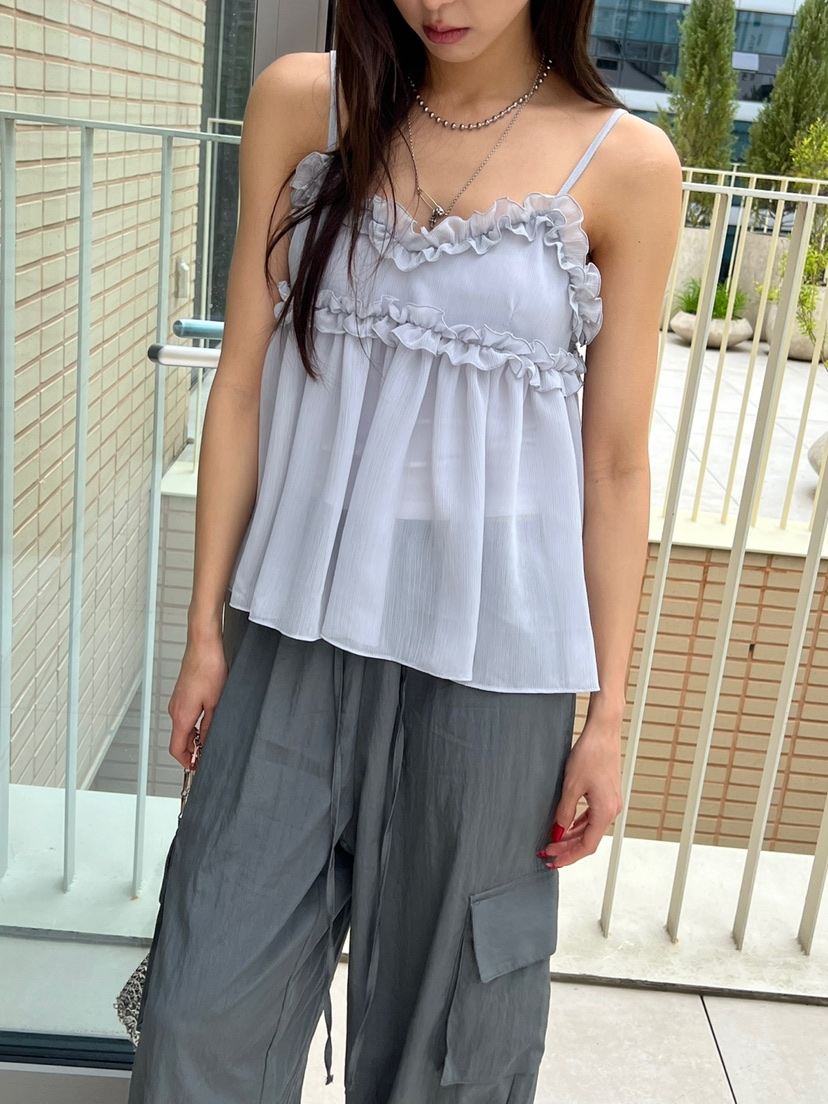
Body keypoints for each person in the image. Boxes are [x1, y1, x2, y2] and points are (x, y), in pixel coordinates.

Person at [128, 2, 682, 1101]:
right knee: (198, 1010)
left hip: (495, 662)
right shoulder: (304, 103)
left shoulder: (626, 165)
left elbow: (616, 466)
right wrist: (202, 632)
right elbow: (240, 386)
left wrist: (609, 715)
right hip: (294, 623)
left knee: (449, 1051)